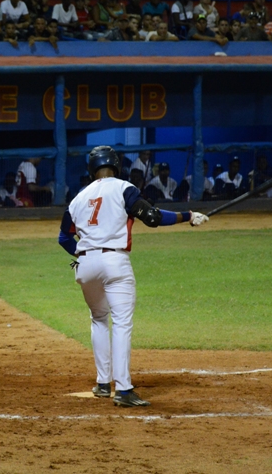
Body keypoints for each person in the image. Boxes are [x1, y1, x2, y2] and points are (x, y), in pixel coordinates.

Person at [58, 146, 208, 407]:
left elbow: (64, 238)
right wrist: (188, 216)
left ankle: (103, 383)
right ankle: (124, 389)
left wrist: (82, 254)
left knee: (98, 319)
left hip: (85, 265)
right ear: (116, 165)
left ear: (91, 168)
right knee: (122, 322)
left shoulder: (78, 198)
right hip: (114, 262)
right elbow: (151, 217)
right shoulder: (123, 188)